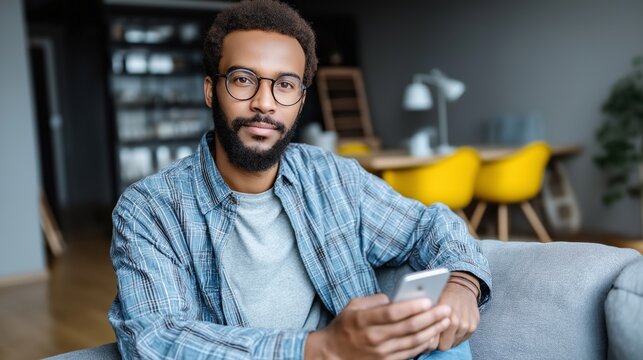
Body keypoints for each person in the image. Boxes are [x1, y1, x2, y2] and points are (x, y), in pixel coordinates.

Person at [108, 1, 492, 359]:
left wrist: (462, 284)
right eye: (243, 80)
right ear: (211, 91)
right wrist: (321, 348)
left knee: (445, 344)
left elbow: (428, 226)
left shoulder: (331, 176)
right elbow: (157, 337)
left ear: (300, 101)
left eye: (285, 84)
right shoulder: (151, 208)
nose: (265, 102)